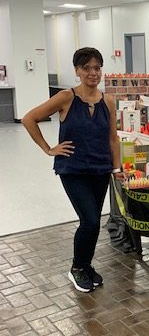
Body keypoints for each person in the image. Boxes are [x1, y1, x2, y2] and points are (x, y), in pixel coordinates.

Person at [22, 47, 123, 292]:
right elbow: (29, 119)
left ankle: (86, 266)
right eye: (86, 68)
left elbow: (113, 138)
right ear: (77, 70)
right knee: (89, 220)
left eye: (97, 68)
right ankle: (77, 268)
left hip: (100, 168)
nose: (92, 73)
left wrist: (117, 167)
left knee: (94, 223)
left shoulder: (108, 100)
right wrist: (49, 149)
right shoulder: (66, 97)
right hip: (73, 169)